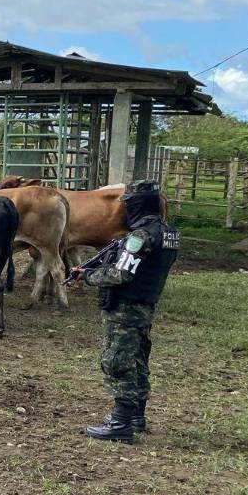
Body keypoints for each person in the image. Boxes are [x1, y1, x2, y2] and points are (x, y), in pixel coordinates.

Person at [72, 179, 179, 442]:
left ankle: (121, 424)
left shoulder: (140, 236)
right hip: (145, 303)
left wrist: (89, 277)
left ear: (138, 205)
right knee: (139, 359)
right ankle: (135, 416)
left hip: (126, 307)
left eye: (129, 205)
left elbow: (121, 274)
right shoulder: (168, 232)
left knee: (118, 360)